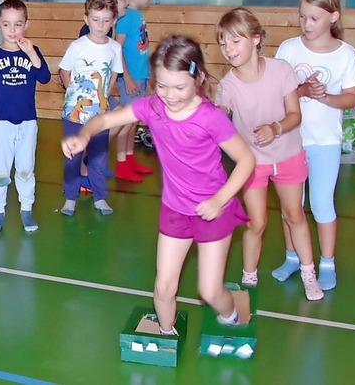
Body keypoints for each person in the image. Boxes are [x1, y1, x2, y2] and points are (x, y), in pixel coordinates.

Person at [62, 36, 255, 332]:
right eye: (162, 86)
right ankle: (166, 333)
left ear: (199, 79)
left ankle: (230, 316)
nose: (170, 95)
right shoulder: (152, 107)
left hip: (213, 209)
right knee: (164, 288)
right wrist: (84, 135)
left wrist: (219, 199)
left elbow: (246, 161)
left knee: (209, 291)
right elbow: (103, 121)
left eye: (180, 87)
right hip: (175, 209)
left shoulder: (211, 118)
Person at [215, 8, 323, 301]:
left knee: (295, 214)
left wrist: (276, 128)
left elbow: (294, 115)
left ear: (256, 39)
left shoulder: (281, 70)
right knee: (257, 222)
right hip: (252, 164)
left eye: (235, 41)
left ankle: (308, 273)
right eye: (223, 43)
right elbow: (220, 116)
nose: (228, 49)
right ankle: (249, 278)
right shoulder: (227, 86)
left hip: (288, 155)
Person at [273, 0, 355, 290]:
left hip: (324, 141)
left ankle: (327, 262)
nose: (306, 24)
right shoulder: (288, 49)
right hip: (291, 140)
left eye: (314, 18)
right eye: (302, 17)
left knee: (322, 203)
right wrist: (302, 90)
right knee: (291, 206)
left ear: (333, 17)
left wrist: (326, 98)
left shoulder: (345, 54)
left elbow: (352, 96)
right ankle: (293, 257)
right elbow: (280, 93)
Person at [0, 0, 51, 233]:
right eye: (7, 24)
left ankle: (26, 209)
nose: (12, 30)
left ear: (26, 24)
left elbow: (45, 77)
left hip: (27, 121)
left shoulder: (33, 52)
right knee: (0, 171)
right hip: (0, 122)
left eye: (18, 25)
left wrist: (31, 52)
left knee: (25, 168)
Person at [58, 0, 123, 216]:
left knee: (98, 157)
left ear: (114, 21)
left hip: (100, 115)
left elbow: (114, 74)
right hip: (75, 114)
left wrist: (104, 96)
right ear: (86, 19)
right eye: (95, 19)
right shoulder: (78, 46)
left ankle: (100, 196)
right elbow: (64, 71)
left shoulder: (115, 48)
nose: (100, 25)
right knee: (73, 157)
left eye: (106, 20)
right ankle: (70, 196)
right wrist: (72, 93)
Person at [114, 0, 157, 182]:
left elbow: (143, 49)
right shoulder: (125, 17)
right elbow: (117, 48)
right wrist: (128, 77)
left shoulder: (137, 15)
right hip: (130, 78)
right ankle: (121, 163)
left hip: (140, 76)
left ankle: (130, 159)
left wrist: (147, 79)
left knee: (135, 120)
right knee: (127, 122)